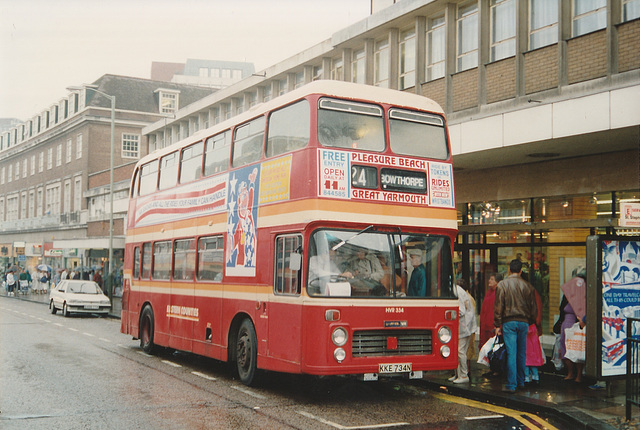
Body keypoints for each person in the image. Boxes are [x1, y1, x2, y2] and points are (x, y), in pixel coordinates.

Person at [494, 259, 537, 393]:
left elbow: (498, 306)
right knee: (521, 353)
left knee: (511, 353)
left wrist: (497, 324)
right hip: (523, 321)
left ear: (509, 270)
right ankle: (521, 381)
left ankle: (512, 384)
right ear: (520, 270)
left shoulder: (502, 285)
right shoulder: (528, 286)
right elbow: (533, 308)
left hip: (508, 322)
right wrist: (529, 320)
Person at [559, 269, 587, 383]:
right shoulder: (567, 296)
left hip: (577, 324)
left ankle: (578, 375)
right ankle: (570, 372)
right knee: (565, 349)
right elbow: (562, 309)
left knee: (577, 348)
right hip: (566, 324)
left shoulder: (583, 297)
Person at [449, 278, 477, 384]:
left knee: (460, 351)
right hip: (465, 326)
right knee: (459, 351)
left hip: (464, 326)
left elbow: (461, 311)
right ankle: (458, 374)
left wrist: (449, 315)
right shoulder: (458, 291)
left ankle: (464, 375)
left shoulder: (457, 292)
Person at [525, 288, 544, 384]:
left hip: (525, 339)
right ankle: (535, 376)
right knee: (533, 359)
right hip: (533, 340)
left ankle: (526, 376)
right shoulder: (534, 327)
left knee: (525, 358)